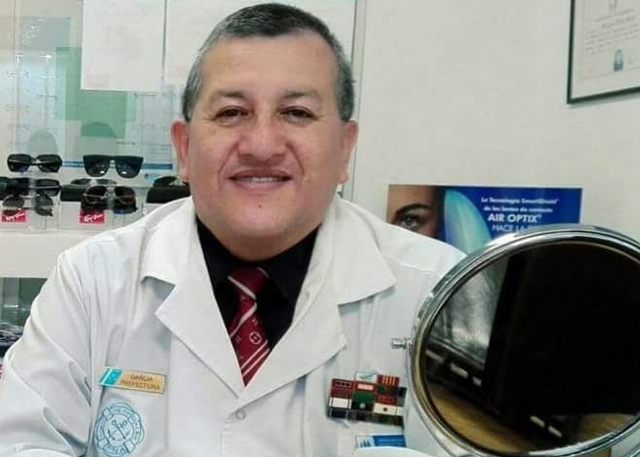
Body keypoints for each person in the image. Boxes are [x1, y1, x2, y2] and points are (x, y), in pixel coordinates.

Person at [0, 4, 463, 457]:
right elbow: (20, 441)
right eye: (231, 113)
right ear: (184, 147)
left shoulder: (438, 292)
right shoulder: (92, 280)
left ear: (344, 148)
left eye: (296, 113)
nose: (262, 145)